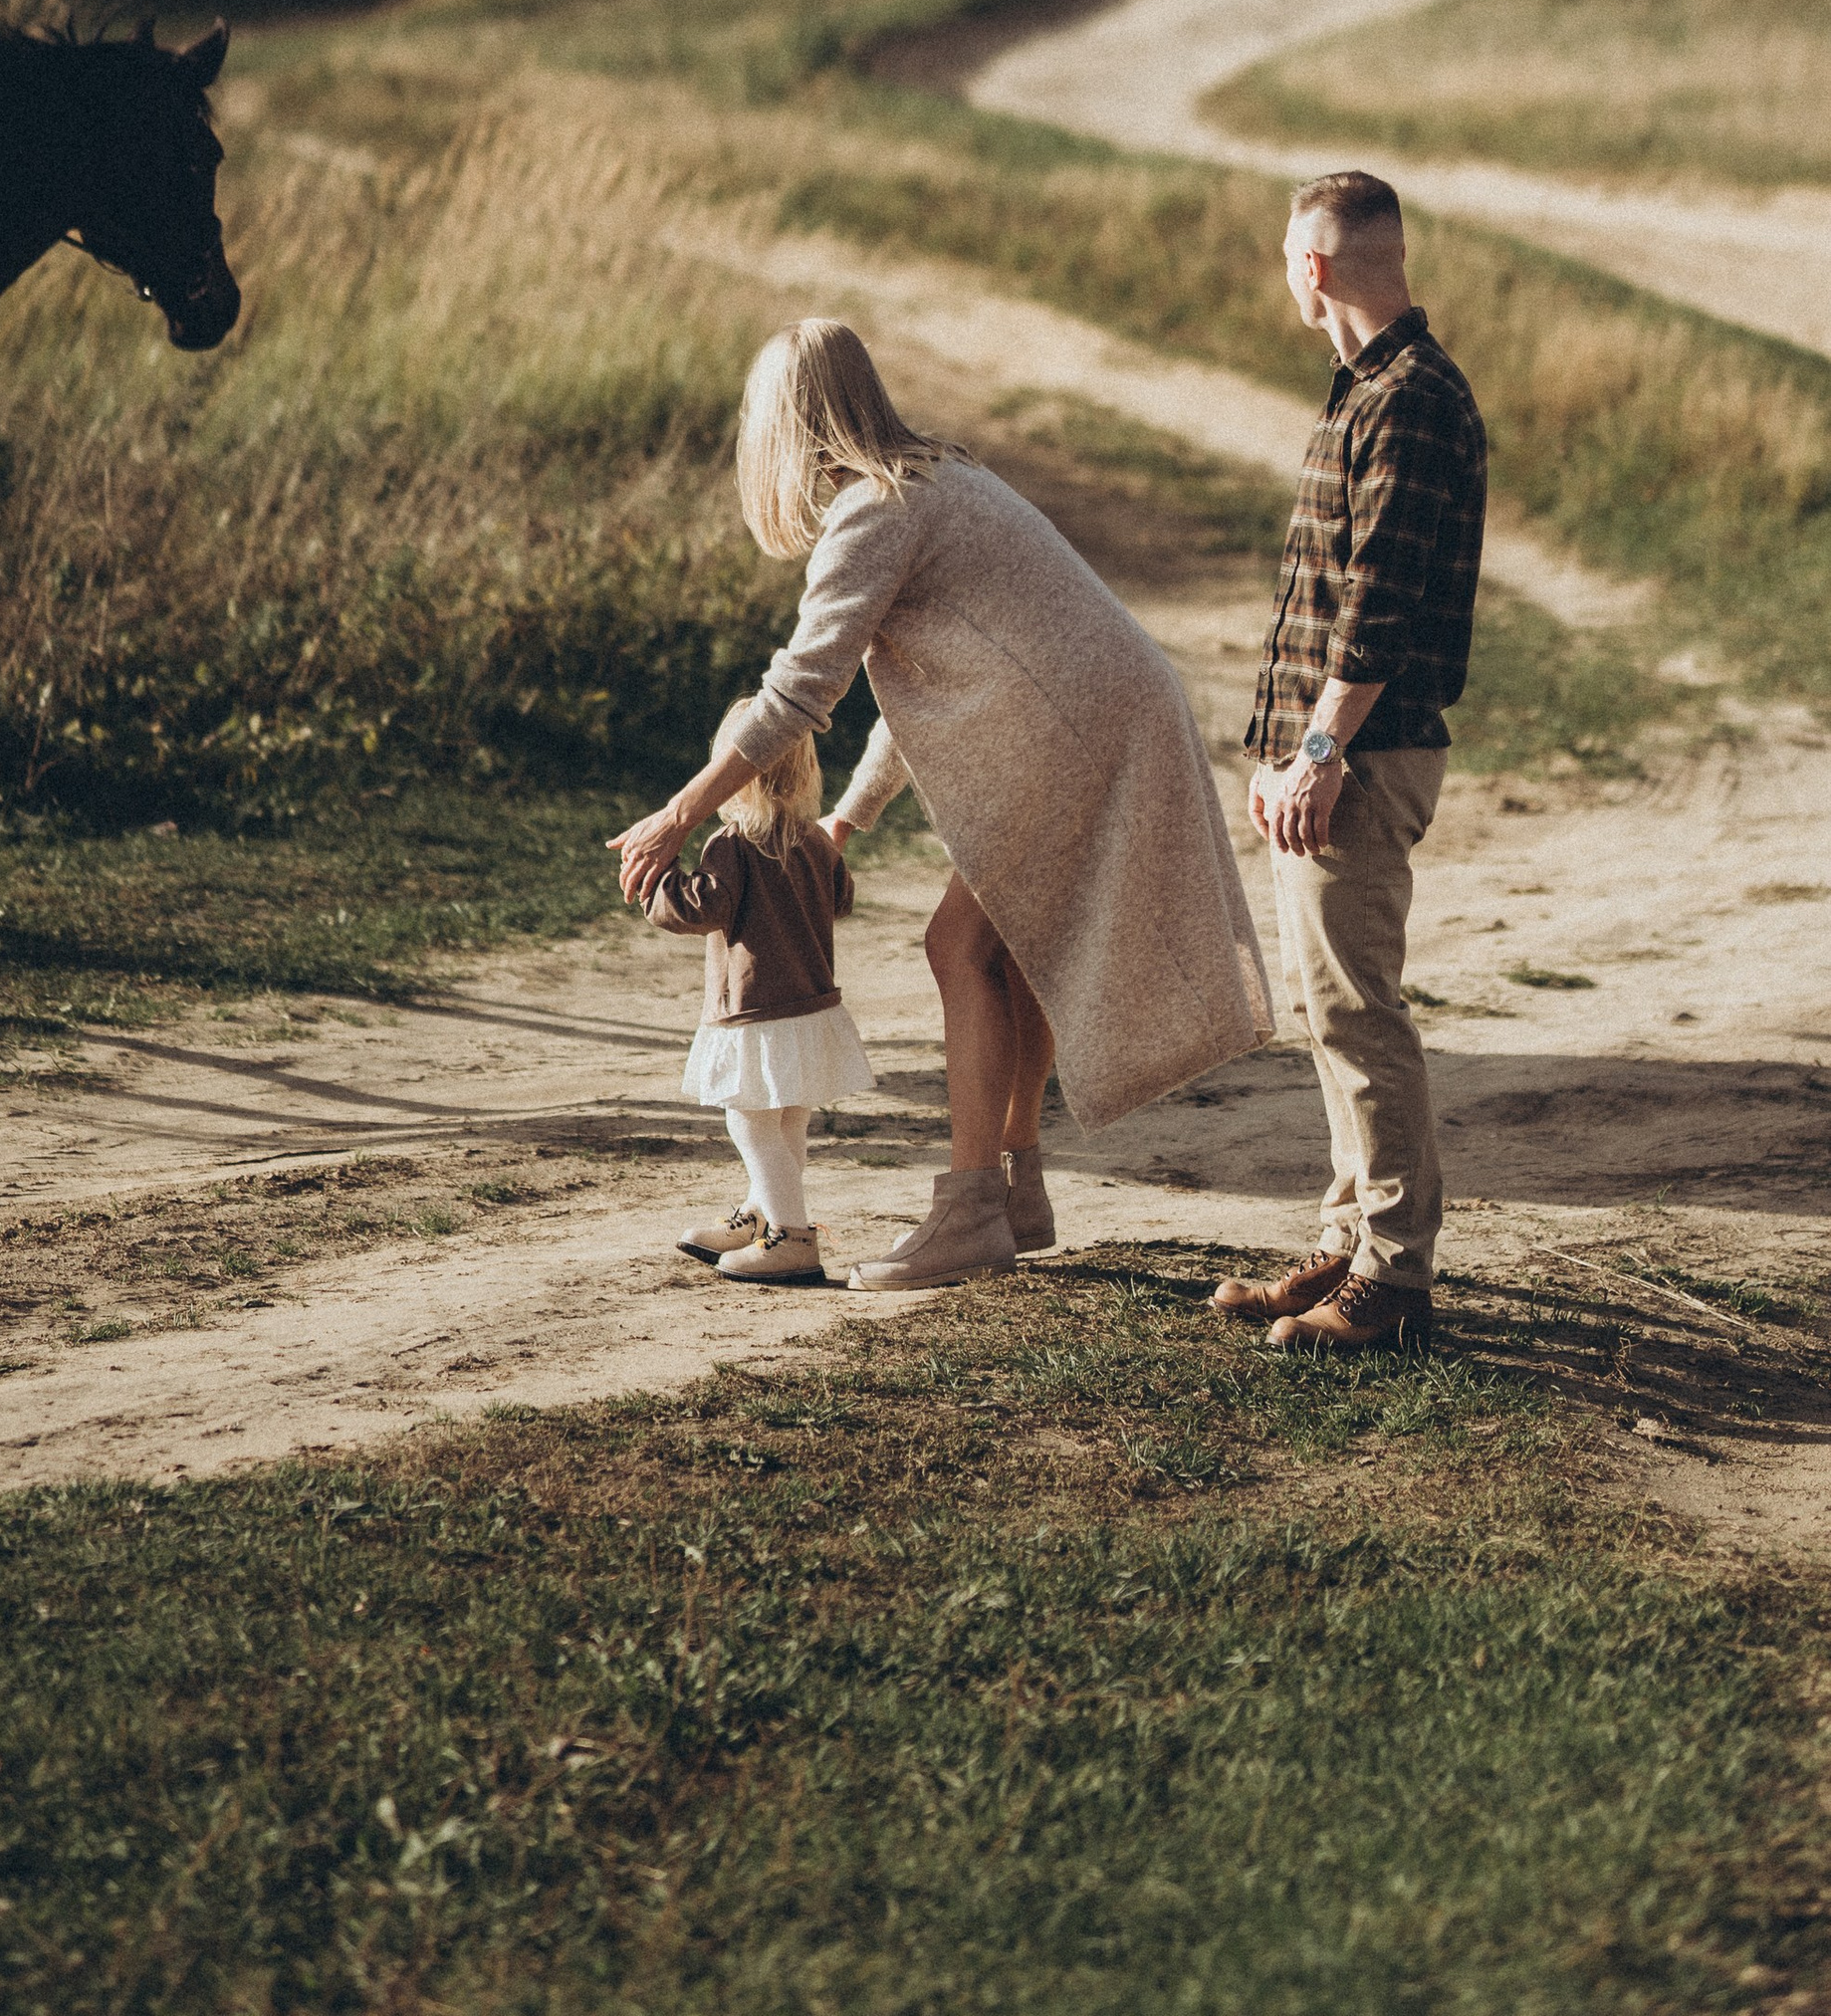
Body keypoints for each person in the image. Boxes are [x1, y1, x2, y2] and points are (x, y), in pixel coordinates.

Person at [612, 321, 1270, 1293]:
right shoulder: (942, 480)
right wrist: (847, 820)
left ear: (784, 429)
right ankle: (1014, 1188)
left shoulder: (875, 509)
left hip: (1076, 725)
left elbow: (801, 690)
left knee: (957, 948)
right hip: (1100, 712)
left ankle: (971, 1210)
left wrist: (679, 813)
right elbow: (919, 694)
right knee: (1007, 944)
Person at [1211, 171, 1487, 1359]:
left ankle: (1393, 1276)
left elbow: (1377, 606)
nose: (1283, 276)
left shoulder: (1411, 400)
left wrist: (1320, 749)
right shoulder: (1366, 390)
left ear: (1311, 268)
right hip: (1324, 755)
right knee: (1328, 1012)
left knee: (1358, 1012)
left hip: (1360, 759)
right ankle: (1347, 1238)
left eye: (1285, 257)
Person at [642, 719, 874, 1288]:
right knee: (787, 1115)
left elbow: (699, 908)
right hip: (811, 1006)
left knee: (748, 1119)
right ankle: (762, 1216)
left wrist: (655, 881)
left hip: (757, 1011)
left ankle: (793, 1239)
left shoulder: (734, 845)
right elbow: (842, 897)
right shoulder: (816, 840)